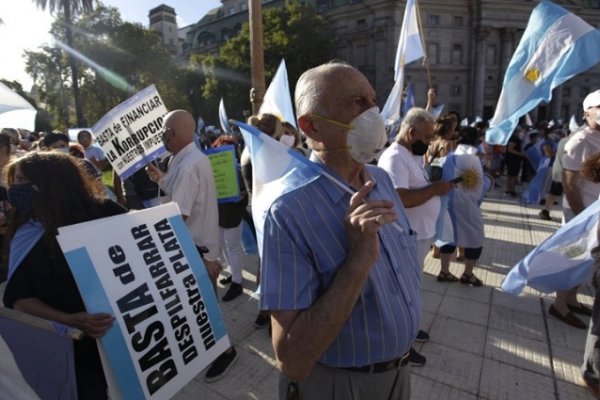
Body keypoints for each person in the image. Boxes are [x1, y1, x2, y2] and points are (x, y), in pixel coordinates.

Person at [261, 61, 420, 399]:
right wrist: (358, 260)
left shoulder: (384, 181)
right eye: (357, 103)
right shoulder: (288, 211)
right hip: (339, 385)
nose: (374, 112)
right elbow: (291, 359)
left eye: (373, 100)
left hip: (399, 375)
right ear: (312, 127)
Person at [2, 152, 127, 399]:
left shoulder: (104, 212)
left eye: (23, 180)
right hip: (73, 348)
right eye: (13, 181)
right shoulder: (27, 232)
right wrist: (70, 320)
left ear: (52, 182)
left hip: (122, 336)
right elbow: (20, 299)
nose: (15, 189)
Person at [145, 109, 238, 382]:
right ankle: (216, 347)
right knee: (201, 303)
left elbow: (178, 216)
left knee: (205, 305)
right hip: (198, 246)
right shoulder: (187, 159)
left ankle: (225, 351)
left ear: (171, 133)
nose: (162, 137)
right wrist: (162, 179)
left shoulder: (186, 165)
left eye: (163, 132)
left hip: (195, 249)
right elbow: (182, 196)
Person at [378, 107, 455, 367]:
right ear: (412, 133)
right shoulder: (395, 158)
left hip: (416, 236)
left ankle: (409, 331)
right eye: (427, 137)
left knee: (411, 289)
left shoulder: (408, 154)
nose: (430, 142)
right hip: (403, 237)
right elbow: (401, 198)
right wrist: (436, 188)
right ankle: (403, 346)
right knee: (403, 292)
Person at [549, 89, 600, 329]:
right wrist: (582, 218)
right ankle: (559, 305)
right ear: (588, 112)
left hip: (595, 211)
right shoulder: (579, 140)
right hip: (580, 213)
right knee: (570, 258)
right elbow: (569, 184)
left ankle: (572, 298)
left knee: (586, 261)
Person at [438, 126, 486, 286]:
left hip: (447, 203)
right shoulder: (473, 159)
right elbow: (477, 188)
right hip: (466, 205)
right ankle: (468, 274)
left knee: (447, 236)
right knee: (475, 237)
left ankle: (444, 271)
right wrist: (476, 202)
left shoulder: (449, 156)